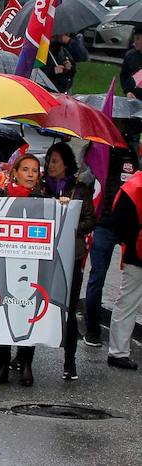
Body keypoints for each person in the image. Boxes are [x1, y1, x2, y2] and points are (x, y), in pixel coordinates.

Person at [0, 153, 50, 385]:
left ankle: (26, 363)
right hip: (4, 264)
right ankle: (2, 365)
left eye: (35, 170)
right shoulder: (1, 194)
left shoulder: (43, 199)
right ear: (15, 173)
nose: (31, 174)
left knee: (28, 313)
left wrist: (63, 206)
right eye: (26, 170)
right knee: (3, 313)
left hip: (31, 264)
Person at [42, 142, 94, 379]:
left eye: (55, 161)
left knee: (69, 311)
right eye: (49, 160)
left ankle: (69, 361)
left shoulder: (80, 189)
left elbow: (89, 221)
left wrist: (69, 219)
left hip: (70, 256)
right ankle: (22, 357)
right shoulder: (41, 188)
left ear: (66, 164)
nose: (51, 165)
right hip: (42, 256)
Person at [84, 136, 139, 345]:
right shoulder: (99, 147)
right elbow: (88, 179)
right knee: (97, 276)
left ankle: (120, 338)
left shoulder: (131, 152)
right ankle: (92, 330)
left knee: (132, 279)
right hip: (104, 223)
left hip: (127, 225)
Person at [107, 167, 142, 369]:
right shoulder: (135, 186)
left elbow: (118, 220)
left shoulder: (134, 185)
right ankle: (118, 352)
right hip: (137, 252)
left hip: (136, 251)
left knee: (127, 302)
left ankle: (118, 351)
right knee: (128, 302)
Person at [121, 28, 142, 100]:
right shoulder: (130, 55)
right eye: (134, 39)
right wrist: (127, 91)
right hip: (133, 97)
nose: (135, 42)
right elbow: (124, 76)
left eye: (138, 39)